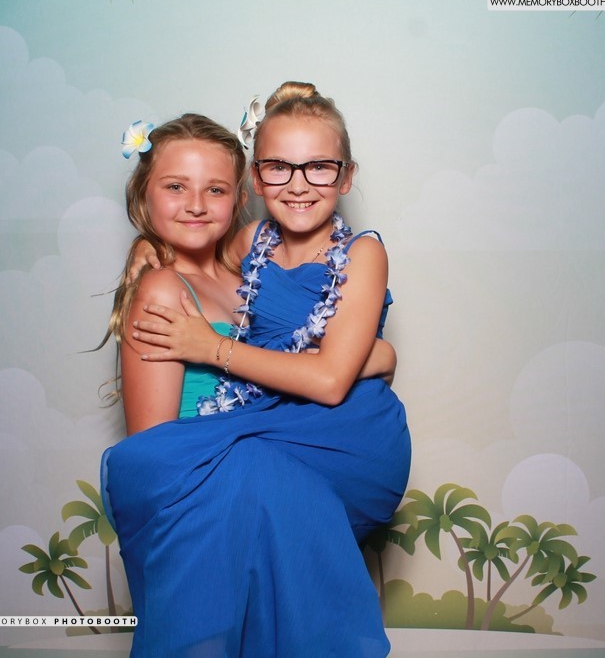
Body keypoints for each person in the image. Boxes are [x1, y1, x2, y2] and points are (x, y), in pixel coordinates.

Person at [103, 83, 410, 657]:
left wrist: (375, 356)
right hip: (239, 471)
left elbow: (322, 365)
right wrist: (147, 253)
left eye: (215, 190)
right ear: (260, 179)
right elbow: (155, 450)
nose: (197, 204)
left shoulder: (244, 261)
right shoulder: (200, 269)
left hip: (314, 443)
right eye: (175, 187)